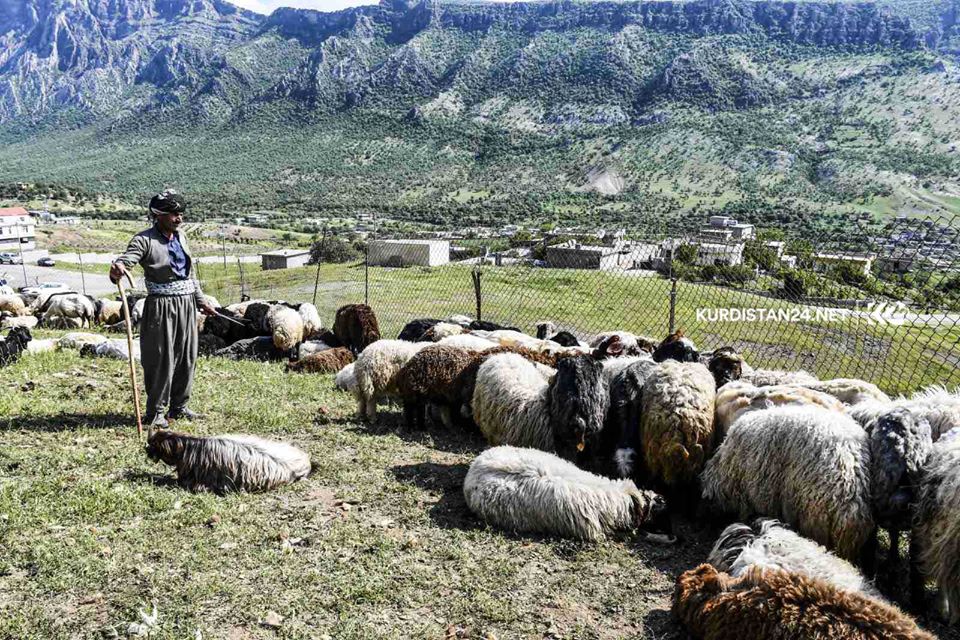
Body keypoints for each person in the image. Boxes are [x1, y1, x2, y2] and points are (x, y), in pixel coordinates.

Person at [110, 189, 216, 429]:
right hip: (161, 306)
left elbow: (190, 274)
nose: (179, 218)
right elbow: (127, 260)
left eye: (180, 213)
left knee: (187, 357)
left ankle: (179, 406)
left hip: (187, 305)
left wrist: (201, 300)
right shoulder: (144, 240)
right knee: (161, 359)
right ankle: (156, 412)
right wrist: (118, 267)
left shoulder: (181, 237)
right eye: (173, 214)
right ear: (158, 215)